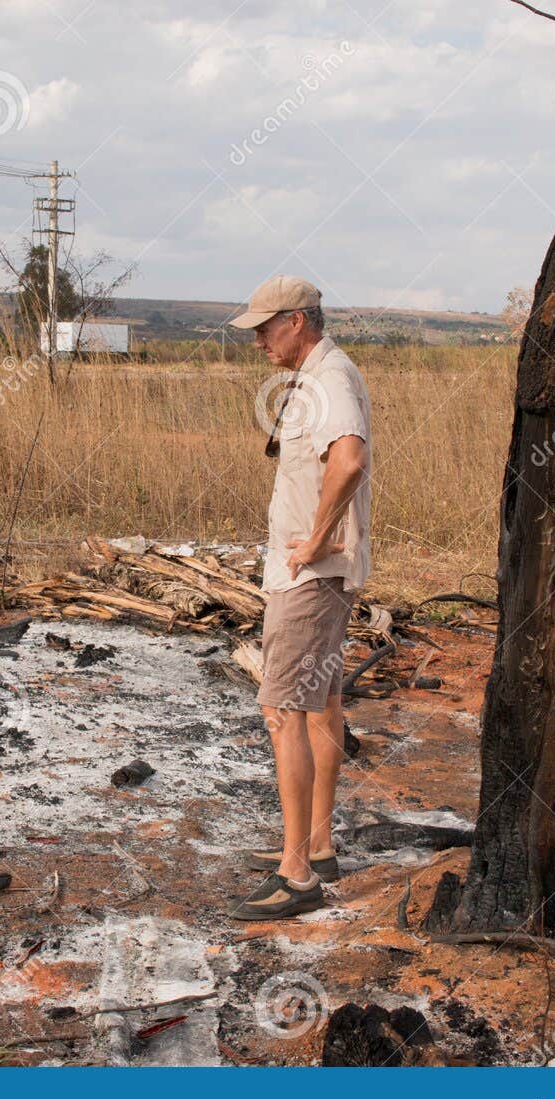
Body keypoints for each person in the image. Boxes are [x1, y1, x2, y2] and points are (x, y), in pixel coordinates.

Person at [224, 275, 371, 920]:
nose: (257, 339)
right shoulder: (318, 375)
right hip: (318, 575)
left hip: (309, 579)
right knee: (321, 705)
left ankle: (297, 874)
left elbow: (349, 461)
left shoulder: (329, 379)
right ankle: (317, 844)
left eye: (264, 327)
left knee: (283, 709)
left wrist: (314, 541)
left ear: (298, 320)